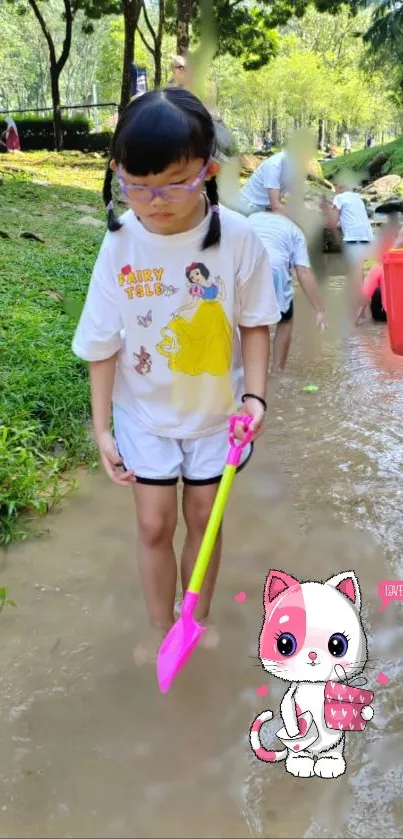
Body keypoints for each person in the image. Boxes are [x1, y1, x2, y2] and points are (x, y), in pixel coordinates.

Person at [72, 88, 280, 664]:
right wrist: (103, 429)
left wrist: (256, 397)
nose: (154, 201)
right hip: (145, 416)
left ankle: (196, 621)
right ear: (117, 172)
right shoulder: (119, 244)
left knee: (204, 520)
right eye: (137, 186)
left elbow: (258, 323)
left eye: (173, 183)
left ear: (207, 171)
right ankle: (160, 627)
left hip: (219, 417)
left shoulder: (238, 238)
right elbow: (101, 344)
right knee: (155, 522)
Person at [248, 212, 327, 374]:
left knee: (248, 321)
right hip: (275, 267)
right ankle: (277, 371)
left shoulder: (251, 218)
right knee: (285, 321)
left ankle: (246, 370)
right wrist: (319, 310)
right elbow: (303, 271)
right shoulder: (296, 231)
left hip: (245, 265)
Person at [326, 180, 374, 270]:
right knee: (362, 268)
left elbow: (333, 221)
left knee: (354, 269)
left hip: (353, 236)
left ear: (340, 186)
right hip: (367, 235)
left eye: (334, 187)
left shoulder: (339, 197)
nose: (334, 190)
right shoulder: (357, 197)